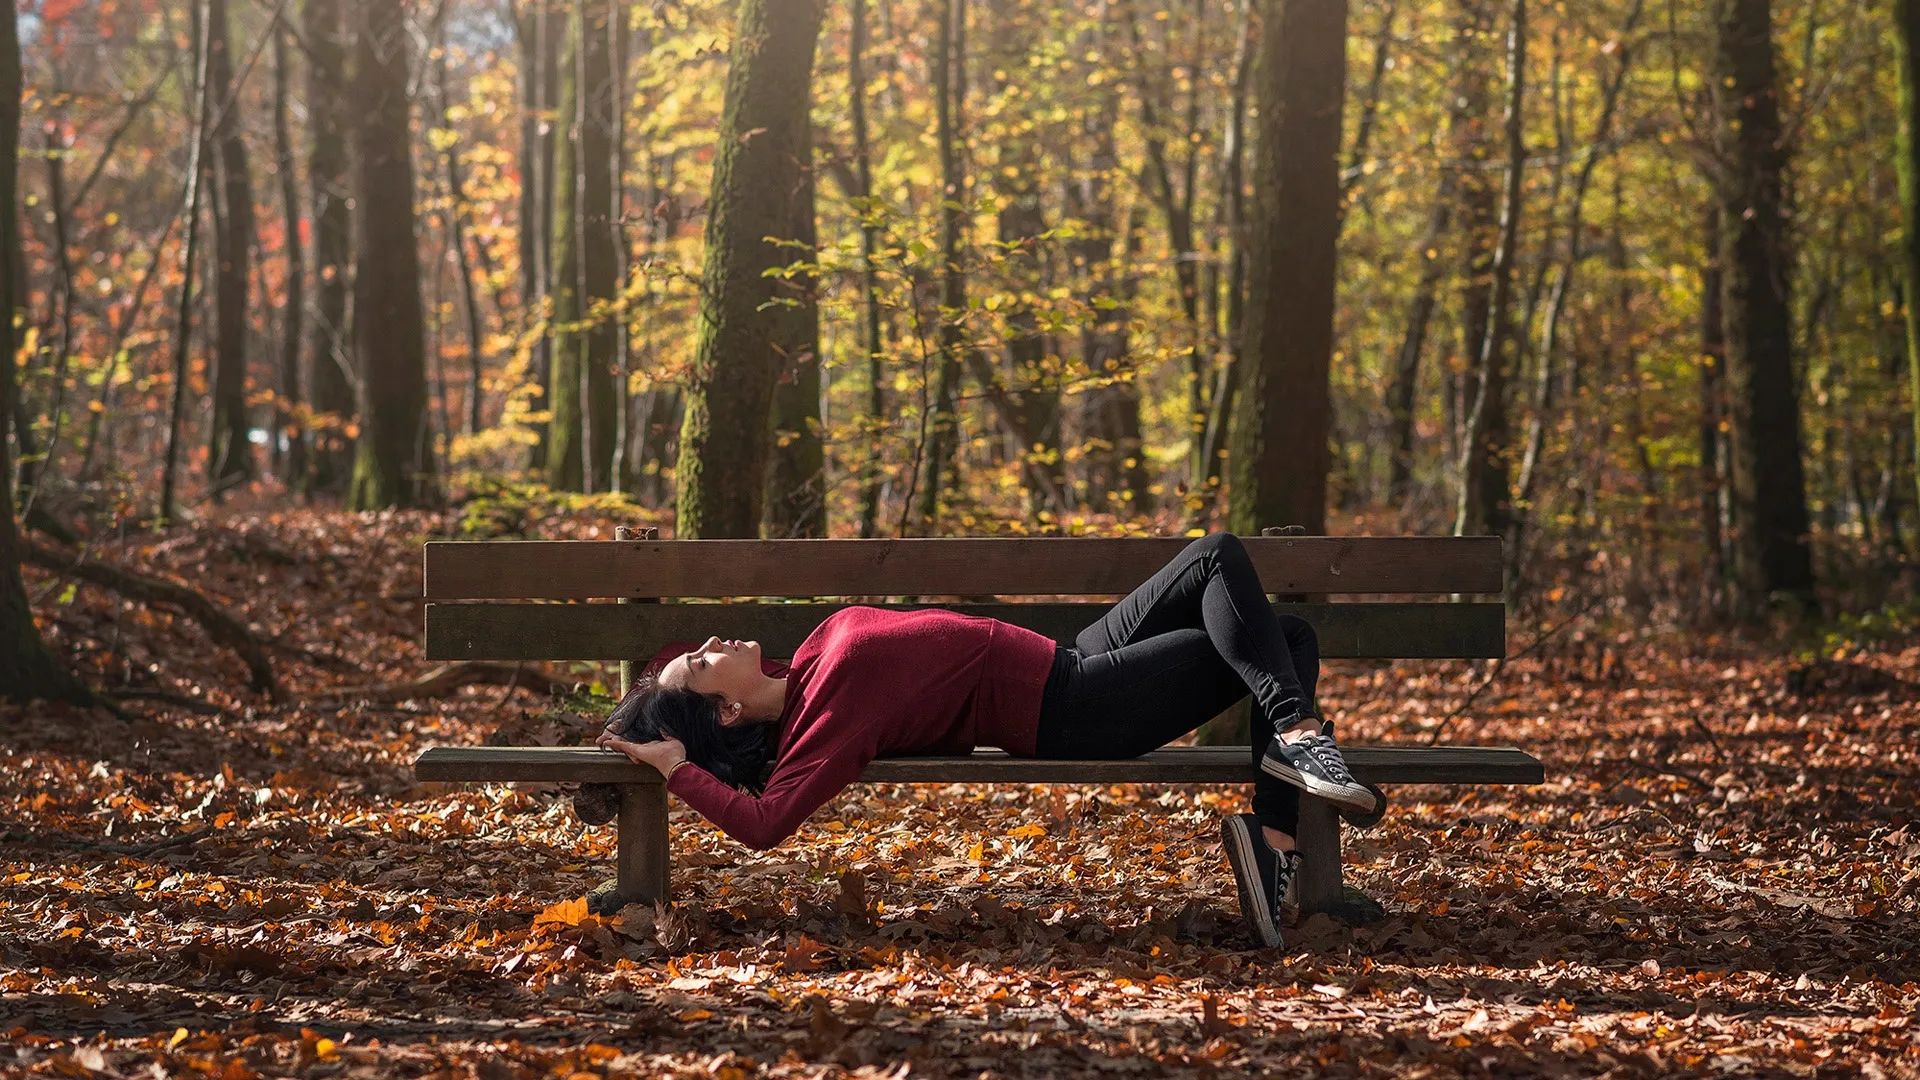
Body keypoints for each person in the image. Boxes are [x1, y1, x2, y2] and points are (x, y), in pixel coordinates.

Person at [596, 531, 1375, 948]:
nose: (706, 641)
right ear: (725, 713)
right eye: (698, 665)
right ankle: (1293, 768)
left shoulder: (805, 665)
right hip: (1072, 709)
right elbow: (765, 826)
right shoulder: (822, 725)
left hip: (1068, 659)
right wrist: (673, 766)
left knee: (1244, 586)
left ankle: (1273, 828)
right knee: (1261, 605)